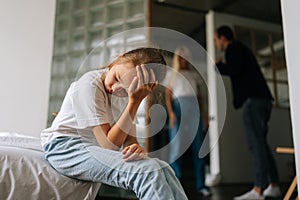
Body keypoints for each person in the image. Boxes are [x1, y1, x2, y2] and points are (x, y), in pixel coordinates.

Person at [41, 48, 188, 200]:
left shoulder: (130, 95)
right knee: (148, 172)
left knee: (164, 168)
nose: (115, 89)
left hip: (90, 149)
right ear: (119, 58)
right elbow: (108, 145)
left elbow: (130, 141)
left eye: (125, 91)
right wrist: (134, 102)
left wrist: (135, 149)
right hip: (64, 147)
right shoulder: (90, 84)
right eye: (117, 78)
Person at [214, 25, 281, 200]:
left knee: (255, 144)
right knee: (261, 144)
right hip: (262, 100)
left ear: (222, 38)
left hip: (253, 101)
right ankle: (273, 185)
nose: (216, 44)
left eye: (215, 40)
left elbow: (234, 70)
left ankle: (258, 189)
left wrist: (219, 65)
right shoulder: (241, 49)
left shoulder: (233, 48)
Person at [165, 47, 211, 196]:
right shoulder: (172, 75)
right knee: (176, 147)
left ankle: (201, 185)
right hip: (178, 109)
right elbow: (168, 95)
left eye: (186, 57)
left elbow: (199, 97)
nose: (184, 60)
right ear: (177, 59)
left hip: (194, 109)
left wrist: (204, 115)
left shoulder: (193, 75)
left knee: (199, 147)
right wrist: (171, 114)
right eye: (181, 57)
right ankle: (174, 186)